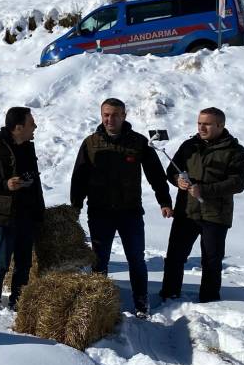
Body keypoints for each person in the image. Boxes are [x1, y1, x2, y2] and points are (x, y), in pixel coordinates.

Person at [70, 98, 173, 317]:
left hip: (130, 212)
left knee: (136, 259)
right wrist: (75, 206)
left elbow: (155, 173)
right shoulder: (91, 143)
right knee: (99, 260)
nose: (110, 119)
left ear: (124, 115)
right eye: (106, 114)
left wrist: (164, 201)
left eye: (115, 114)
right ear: (101, 115)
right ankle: (98, 305)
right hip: (100, 212)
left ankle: (141, 303)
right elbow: (79, 176)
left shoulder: (138, 142)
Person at [160, 107, 244, 303]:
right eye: (199, 123)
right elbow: (171, 170)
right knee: (175, 257)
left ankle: (209, 301)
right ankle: (169, 295)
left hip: (215, 214)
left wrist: (205, 190)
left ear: (220, 125)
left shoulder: (234, 151)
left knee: (211, 261)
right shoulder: (189, 145)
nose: (201, 127)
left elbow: (238, 183)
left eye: (207, 124)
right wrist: (178, 181)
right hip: (186, 211)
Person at [0, 107, 45, 310]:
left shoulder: (27, 147)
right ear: (18, 127)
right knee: (3, 259)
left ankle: (18, 299)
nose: (35, 127)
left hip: (26, 212)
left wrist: (39, 211)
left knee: (24, 262)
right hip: (2, 214)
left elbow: (36, 180)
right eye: (32, 123)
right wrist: (5, 184)